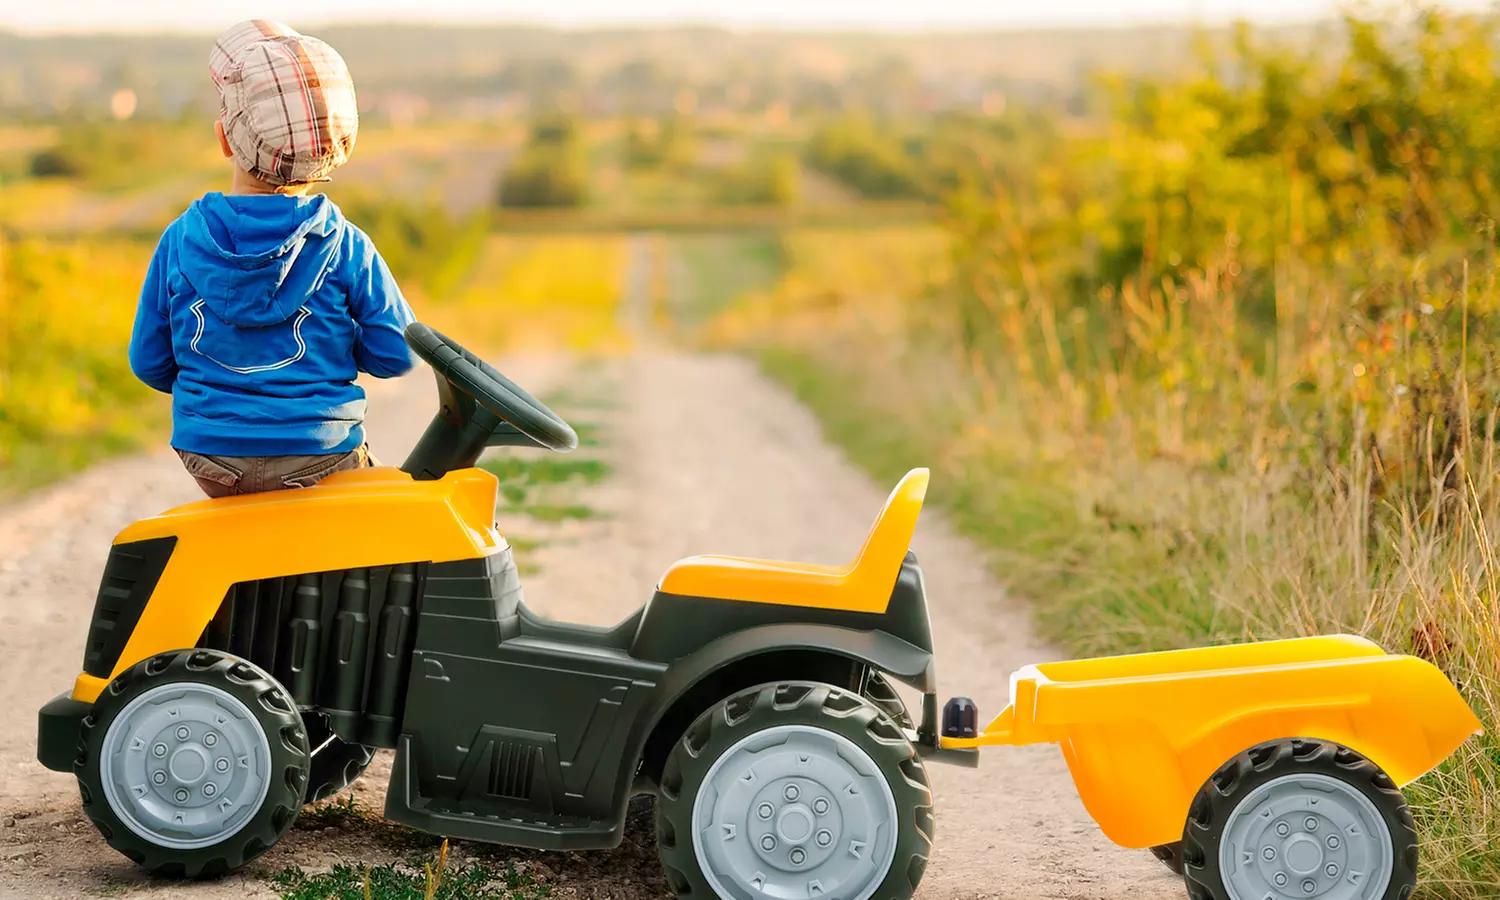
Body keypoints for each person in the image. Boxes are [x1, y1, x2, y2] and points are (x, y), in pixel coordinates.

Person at [128, 19, 416, 498]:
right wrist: (336, 347)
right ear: (333, 150)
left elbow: (149, 362)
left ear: (224, 140)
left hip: (211, 458)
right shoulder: (345, 244)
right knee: (387, 511)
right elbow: (398, 354)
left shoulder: (180, 240)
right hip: (323, 453)